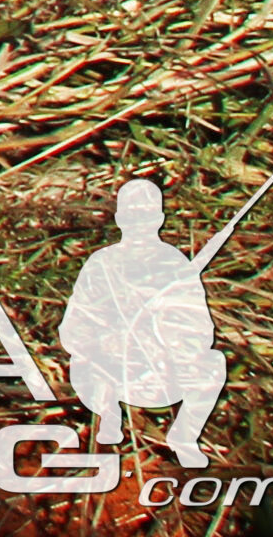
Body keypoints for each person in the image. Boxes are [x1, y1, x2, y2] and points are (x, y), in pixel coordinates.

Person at [59, 176, 230, 466]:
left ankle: (184, 437)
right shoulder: (101, 263)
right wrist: (105, 341)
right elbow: (72, 328)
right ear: (120, 218)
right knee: (85, 367)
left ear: (159, 218)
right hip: (111, 369)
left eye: (146, 214)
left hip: (160, 370)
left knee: (213, 364)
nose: (139, 222)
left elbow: (200, 328)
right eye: (132, 214)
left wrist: (170, 344)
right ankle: (108, 422)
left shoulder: (175, 263)